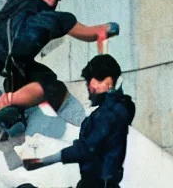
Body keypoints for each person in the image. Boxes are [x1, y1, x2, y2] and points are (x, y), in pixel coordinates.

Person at [0, 0, 119, 136]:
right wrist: (107, 28)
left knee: (26, 77)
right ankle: (5, 103)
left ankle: (14, 113)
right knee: (49, 85)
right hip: (16, 51)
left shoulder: (15, 0)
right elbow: (89, 33)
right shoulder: (56, 18)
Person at [23, 54, 135, 188]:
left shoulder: (108, 115)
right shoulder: (113, 110)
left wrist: (42, 161)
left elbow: (85, 149)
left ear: (108, 81)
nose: (88, 87)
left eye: (89, 82)